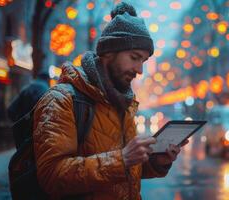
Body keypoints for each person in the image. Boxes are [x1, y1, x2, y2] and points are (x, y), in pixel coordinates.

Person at [32, 2, 187, 199]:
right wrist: (121, 159)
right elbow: (51, 177)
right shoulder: (61, 100)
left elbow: (125, 172)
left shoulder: (122, 103)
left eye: (143, 61)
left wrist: (156, 161)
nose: (140, 70)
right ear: (108, 53)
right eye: (134, 57)